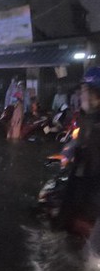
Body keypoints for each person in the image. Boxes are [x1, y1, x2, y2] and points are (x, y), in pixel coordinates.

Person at [57, 68, 100, 261]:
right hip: (80, 185)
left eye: (84, 90)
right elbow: (79, 140)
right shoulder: (86, 117)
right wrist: (71, 149)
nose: (80, 94)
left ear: (94, 94)